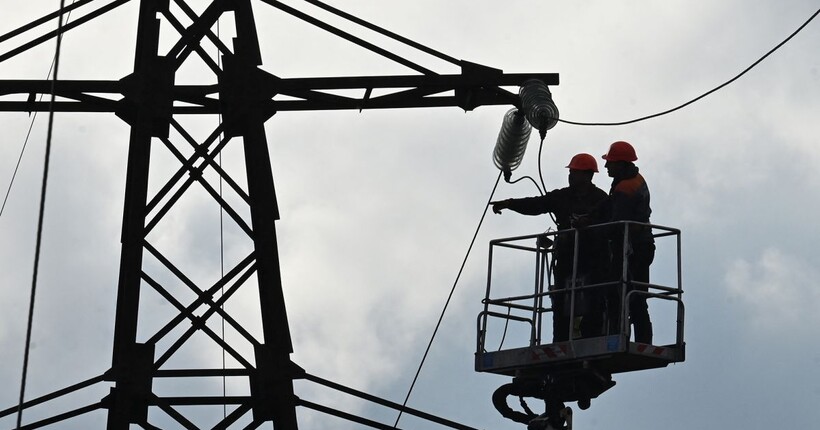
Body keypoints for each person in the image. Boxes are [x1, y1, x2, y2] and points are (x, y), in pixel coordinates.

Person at [492, 153, 609, 341]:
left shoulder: (601, 200)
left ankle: (592, 336)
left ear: (587, 175)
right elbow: (536, 204)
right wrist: (509, 204)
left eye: (574, 172)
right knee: (561, 300)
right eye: (570, 172)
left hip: (592, 257)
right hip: (566, 256)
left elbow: (609, 226)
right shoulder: (562, 196)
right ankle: (561, 340)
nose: (570, 175)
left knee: (593, 299)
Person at [600, 141, 655, 344]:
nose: (606, 166)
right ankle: (643, 340)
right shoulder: (635, 180)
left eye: (610, 163)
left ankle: (616, 335)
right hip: (642, 245)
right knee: (636, 295)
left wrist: (597, 233)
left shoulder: (625, 187)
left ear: (621, 164)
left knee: (617, 292)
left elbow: (617, 222)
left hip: (632, 249)